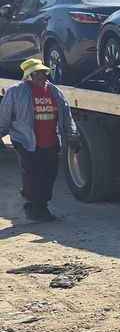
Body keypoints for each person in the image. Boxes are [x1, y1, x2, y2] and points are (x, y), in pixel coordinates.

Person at [1, 57, 74, 222]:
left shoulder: (56, 92)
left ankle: (42, 207)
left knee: (49, 175)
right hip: (25, 140)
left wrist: (72, 135)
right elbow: (4, 116)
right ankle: (31, 204)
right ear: (28, 76)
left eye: (41, 72)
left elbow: (66, 116)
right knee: (32, 173)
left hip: (51, 141)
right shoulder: (15, 92)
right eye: (34, 74)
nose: (39, 76)